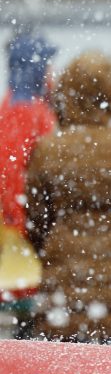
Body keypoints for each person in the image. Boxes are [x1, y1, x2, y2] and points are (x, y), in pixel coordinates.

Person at [25, 51, 111, 345]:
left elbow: (35, 219)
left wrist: (57, 247)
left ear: (65, 96)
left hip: (65, 287)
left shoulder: (48, 150)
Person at [0, 27, 58, 236]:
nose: (52, 72)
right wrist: (26, 228)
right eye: (47, 64)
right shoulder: (24, 111)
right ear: (35, 68)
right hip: (26, 232)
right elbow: (11, 173)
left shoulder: (28, 105)